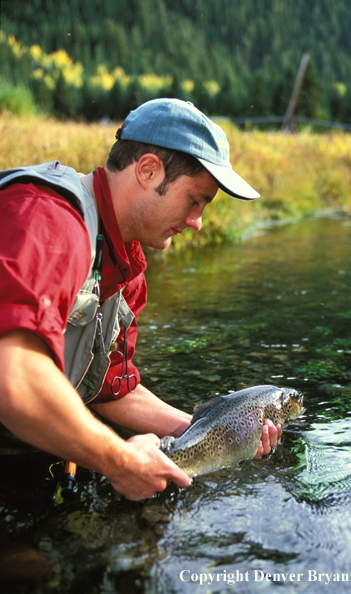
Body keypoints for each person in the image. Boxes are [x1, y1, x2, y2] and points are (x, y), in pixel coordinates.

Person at [0, 98, 282, 500]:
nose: (197, 222)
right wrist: (120, 460)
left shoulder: (125, 268)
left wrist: (212, 431)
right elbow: (15, 378)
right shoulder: (50, 223)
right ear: (148, 170)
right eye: (195, 200)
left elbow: (112, 389)